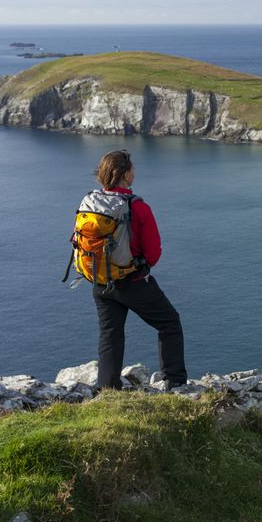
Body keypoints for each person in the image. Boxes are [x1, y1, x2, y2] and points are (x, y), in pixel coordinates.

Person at [89, 149, 187, 391]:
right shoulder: (137, 207)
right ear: (125, 175)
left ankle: (108, 390)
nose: (135, 172)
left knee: (110, 335)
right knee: (170, 323)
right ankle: (174, 382)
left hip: (100, 282)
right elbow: (153, 252)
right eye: (132, 169)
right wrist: (137, 268)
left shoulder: (92, 203)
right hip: (132, 281)